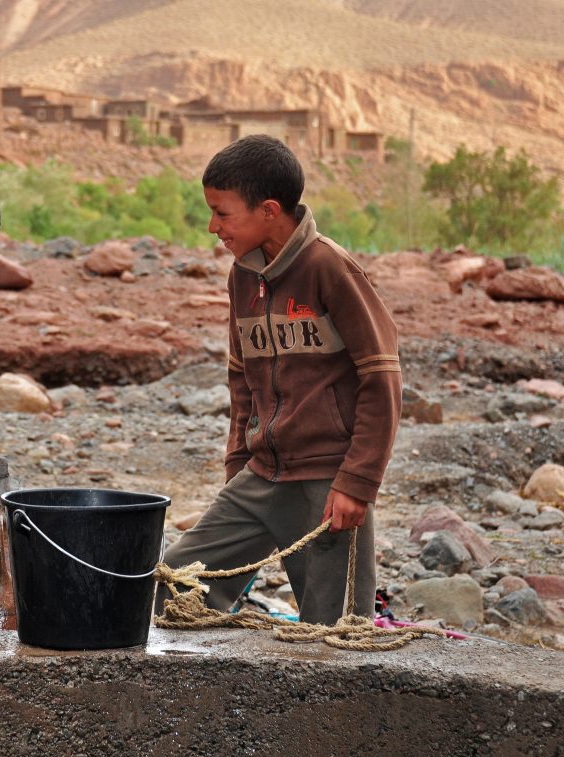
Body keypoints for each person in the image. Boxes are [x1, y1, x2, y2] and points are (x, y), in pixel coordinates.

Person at [156, 135, 401, 625]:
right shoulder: (242, 277)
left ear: (268, 211)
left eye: (222, 214)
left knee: (335, 632)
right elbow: (242, 380)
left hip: (327, 484)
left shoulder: (330, 268)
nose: (212, 227)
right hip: (262, 474)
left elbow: (382, 379)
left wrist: (357, 483)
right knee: (176, 587)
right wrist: (237, 464)